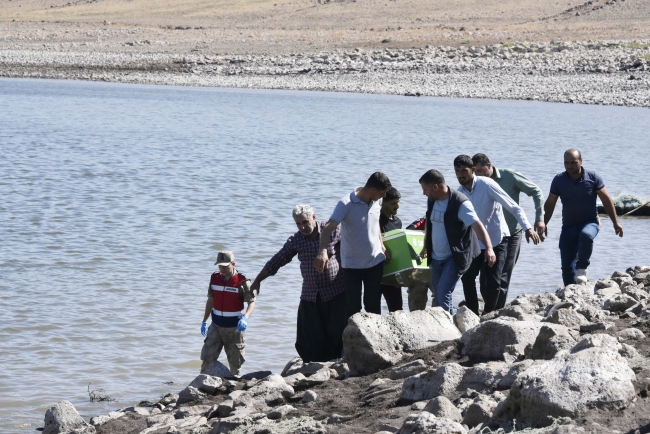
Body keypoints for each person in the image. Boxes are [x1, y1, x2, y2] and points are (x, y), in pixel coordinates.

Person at [250, 205, 347, 363]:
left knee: (337, 333)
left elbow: (355, 243)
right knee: (307, 338)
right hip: (310, 294)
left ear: (314, 218)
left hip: (336, 291)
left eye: (305, 222)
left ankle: (338, 363)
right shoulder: (296, 240)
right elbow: (277, 260)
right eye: (298, 224)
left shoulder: (333, 230)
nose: (302, 227)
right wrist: (257, 280)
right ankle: (312, 366)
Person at [454, 155, 540, 316]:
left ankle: (488, 314)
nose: (460, 175)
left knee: (493, 283)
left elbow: (514, 207)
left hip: (497, 239)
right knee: (467, 278)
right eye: (457, 171)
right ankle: (472, 315)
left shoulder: (487, 184)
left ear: (473, 170)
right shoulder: (459, 193)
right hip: (475, 243)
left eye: (464, 170)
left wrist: (527, 228)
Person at [315, 172, 391, 319]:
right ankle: (352, 340)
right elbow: (328, 228)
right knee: (353, 308)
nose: (385, 196)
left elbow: (375, 224)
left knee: (373, 306)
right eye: (383, 193)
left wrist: (381, 244)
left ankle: (375, 340)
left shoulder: (377, 201)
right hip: (352, 265)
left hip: (375, 262)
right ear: (373, 190)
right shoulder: (345, 204)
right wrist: (322, 251)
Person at [418, 169, 495, 314]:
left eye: (425, 189)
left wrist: (489, 248)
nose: (424, 193)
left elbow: (478, 225)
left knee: (442, 293)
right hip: (435, 257)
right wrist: (425, 247)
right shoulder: (432, 200)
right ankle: (453, 322)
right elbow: (430, 221)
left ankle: (449, 329)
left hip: (454, 257)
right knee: (439, 294)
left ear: (435, 187)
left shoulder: (460, 203)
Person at [543, 149, 623, 285]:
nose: (569, 166)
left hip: (590, 222)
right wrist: (543, 223)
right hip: (568, 226)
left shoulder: (592, 177)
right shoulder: (559, 180)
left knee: (586, 235)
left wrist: (616, 222)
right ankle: (572, 292)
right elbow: (550, 203)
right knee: (567, 269)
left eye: (573, 163)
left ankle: (582, 268)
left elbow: (606, 200)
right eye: (566, 163)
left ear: (581, 161)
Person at [200, 251, 255, 377]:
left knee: (235, 364)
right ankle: (202, 386)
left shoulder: (242, 281)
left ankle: (233, 390)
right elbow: (211, 300)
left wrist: (245, 318)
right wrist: (204, 321)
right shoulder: (214, 278)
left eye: (225, 266)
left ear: (233, 264)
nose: (222, 269)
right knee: (207, 358)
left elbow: (251, 303)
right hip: (216, 326)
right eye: (220, 266)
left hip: (234, 328)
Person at [378, 187, 403, 312]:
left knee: (397, 309)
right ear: (383, 202)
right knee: (373, 310)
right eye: (393, 203)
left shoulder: (398, 222)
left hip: (393, 273)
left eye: (398, 202)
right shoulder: (376, 220)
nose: (397, 206)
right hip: (376, 271)